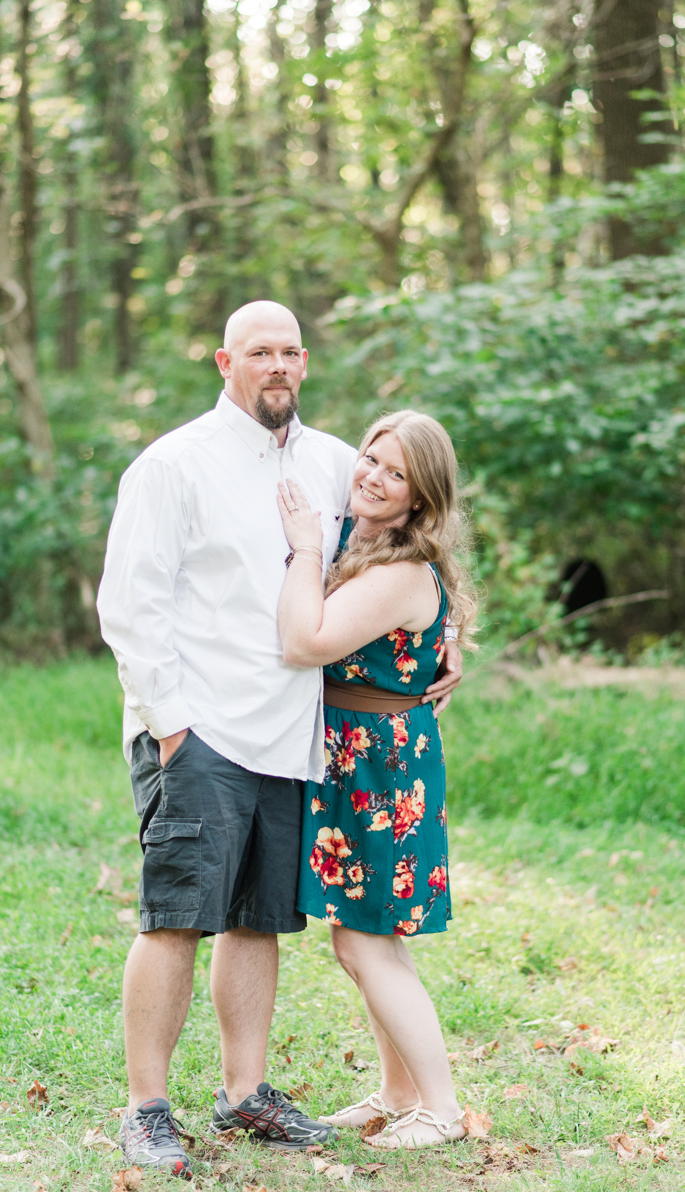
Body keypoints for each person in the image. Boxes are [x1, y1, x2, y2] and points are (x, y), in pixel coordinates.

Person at [97, 302, 463, 1175]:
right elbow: (130, 605)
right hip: (200, 730)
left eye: (291, 352)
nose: (278, 366)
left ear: (305, 362)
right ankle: (147, 1106)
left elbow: (406, 540)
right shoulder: (174, 464)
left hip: (295, 738)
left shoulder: (336, 461)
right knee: (176, 918)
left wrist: (442, 642)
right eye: (259, 351)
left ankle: (245, 1092)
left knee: (256, 922)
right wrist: (172, 726)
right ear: (226, 360)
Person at [275, 409, 476, 1150]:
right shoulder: (372, 547)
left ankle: (443, 1108)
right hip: (358, 756)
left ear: (421, 498)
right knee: (361, 936)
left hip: (381, 767)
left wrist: (302, 551)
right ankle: (397, 1092)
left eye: (397, 473)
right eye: (372, 458)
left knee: (369, 943)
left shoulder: (397, 570)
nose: (374, 477)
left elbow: (306, 640)